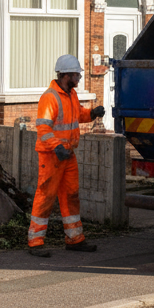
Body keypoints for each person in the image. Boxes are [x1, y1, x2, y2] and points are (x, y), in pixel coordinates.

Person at [28, 54, 104, 257]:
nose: (78, 79)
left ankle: (75, 239)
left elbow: (77, 114)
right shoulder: (50, 97)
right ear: (65, 75)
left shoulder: (70, 95)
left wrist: (92, 113)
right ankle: (35, 241)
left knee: (71, 195)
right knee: (45, 196)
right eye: (76, 75)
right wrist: (57, 147)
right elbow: (43, 128)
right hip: (52, 155)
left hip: (67, 154)